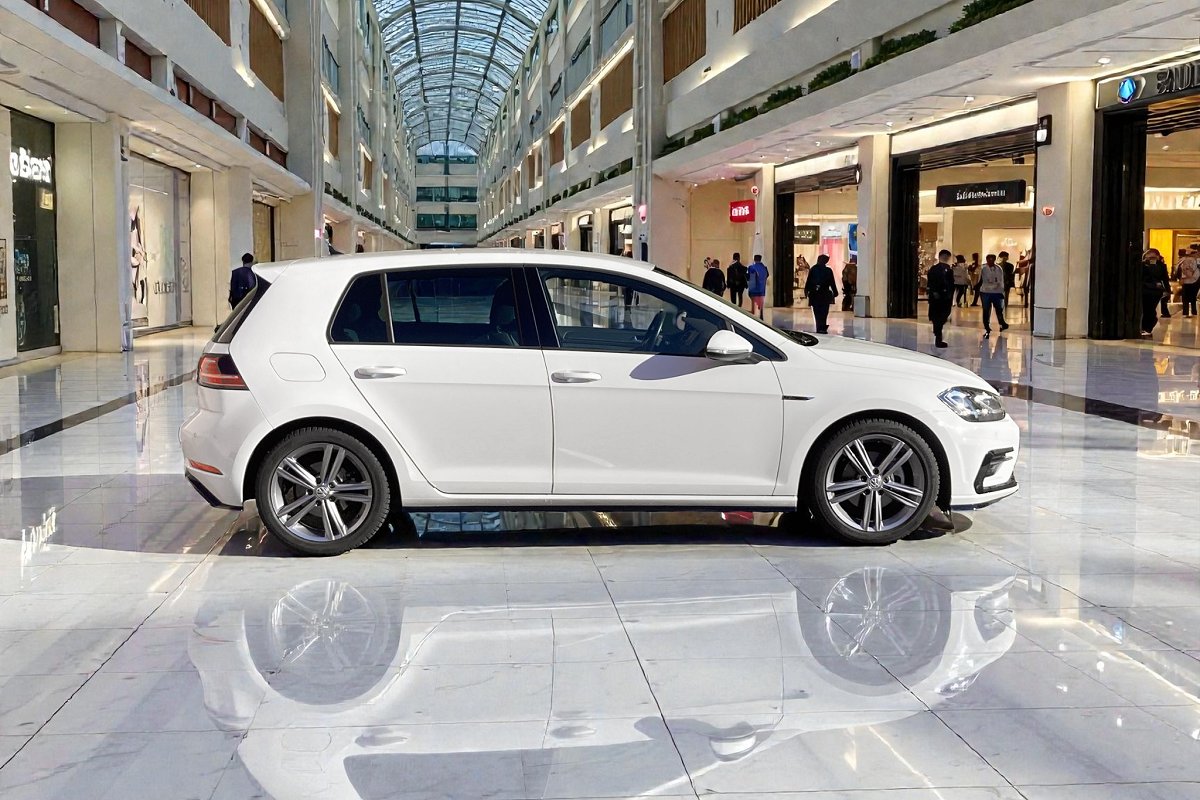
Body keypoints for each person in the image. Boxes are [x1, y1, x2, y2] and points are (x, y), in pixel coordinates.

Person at [927, 250, 956, 349]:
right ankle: (938, 337)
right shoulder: (945, 270)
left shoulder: (935, 269)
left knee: (938, 317)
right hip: (942, 298)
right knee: (940, 317)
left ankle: (937, 333)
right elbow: (949, 284)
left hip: (939, 298)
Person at [805, 254, 838, 334]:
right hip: (824, 294)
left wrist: (806, 291)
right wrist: (835, 292)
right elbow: (832, 283)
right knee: (824, 312)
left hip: (815, 294)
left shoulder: (813, 269)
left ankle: (819, 327)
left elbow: (808, 281)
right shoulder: (828, 270)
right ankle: (822, 326)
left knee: (817, 312)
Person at [979, 254, 1009, 339]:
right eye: (989, 260)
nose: (990, 261)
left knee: (999, 309)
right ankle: (987, 327)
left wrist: (999, 289)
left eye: (992, 260)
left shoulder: (998, 269)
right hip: (986, 292)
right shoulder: (983, 268)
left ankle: (1002, 323)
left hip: (997, 292)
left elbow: (999, 280)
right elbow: (982, 279)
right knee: (986, 310)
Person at [1142, 248, 1170, 336]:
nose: (1151, 259)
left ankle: (1147, 327)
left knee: (1150, 309)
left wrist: (1167, 291)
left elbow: (1165, 279)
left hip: (1154, 290)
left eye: (1153, 257)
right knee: (1146, 309)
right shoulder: (1143, 265)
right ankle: (1145, 326)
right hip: (1146, 290)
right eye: (1149, 257)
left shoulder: (1161, 266)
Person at [1179, 243, 1200, 318]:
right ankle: (1193, 312)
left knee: (1186, 297)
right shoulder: (1193, 260)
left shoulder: (1184, 260)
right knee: (1193, 296)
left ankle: (1186, 312)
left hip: (1187, 280)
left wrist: (1182, 278)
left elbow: (1181, 270)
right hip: (1195, 279)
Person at [747, 255, 769, 319]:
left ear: (754, 259)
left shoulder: (751, 267)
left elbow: (750, 277)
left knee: (753, 301)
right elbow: (767, 275)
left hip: (754, 288)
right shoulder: (764, 268)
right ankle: (761, 313)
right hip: (762, 288)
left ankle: (753, 312)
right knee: (761, 300)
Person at [1156, 252, 1172, 318]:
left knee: (1163, 300)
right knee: (1163, 301)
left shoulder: (1161, 266)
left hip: (1160, 286)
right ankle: (1165, 313)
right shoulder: (1162, 266)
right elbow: (1165, 279)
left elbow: (1165, 279)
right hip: (1161, 286)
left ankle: (1165, 313)